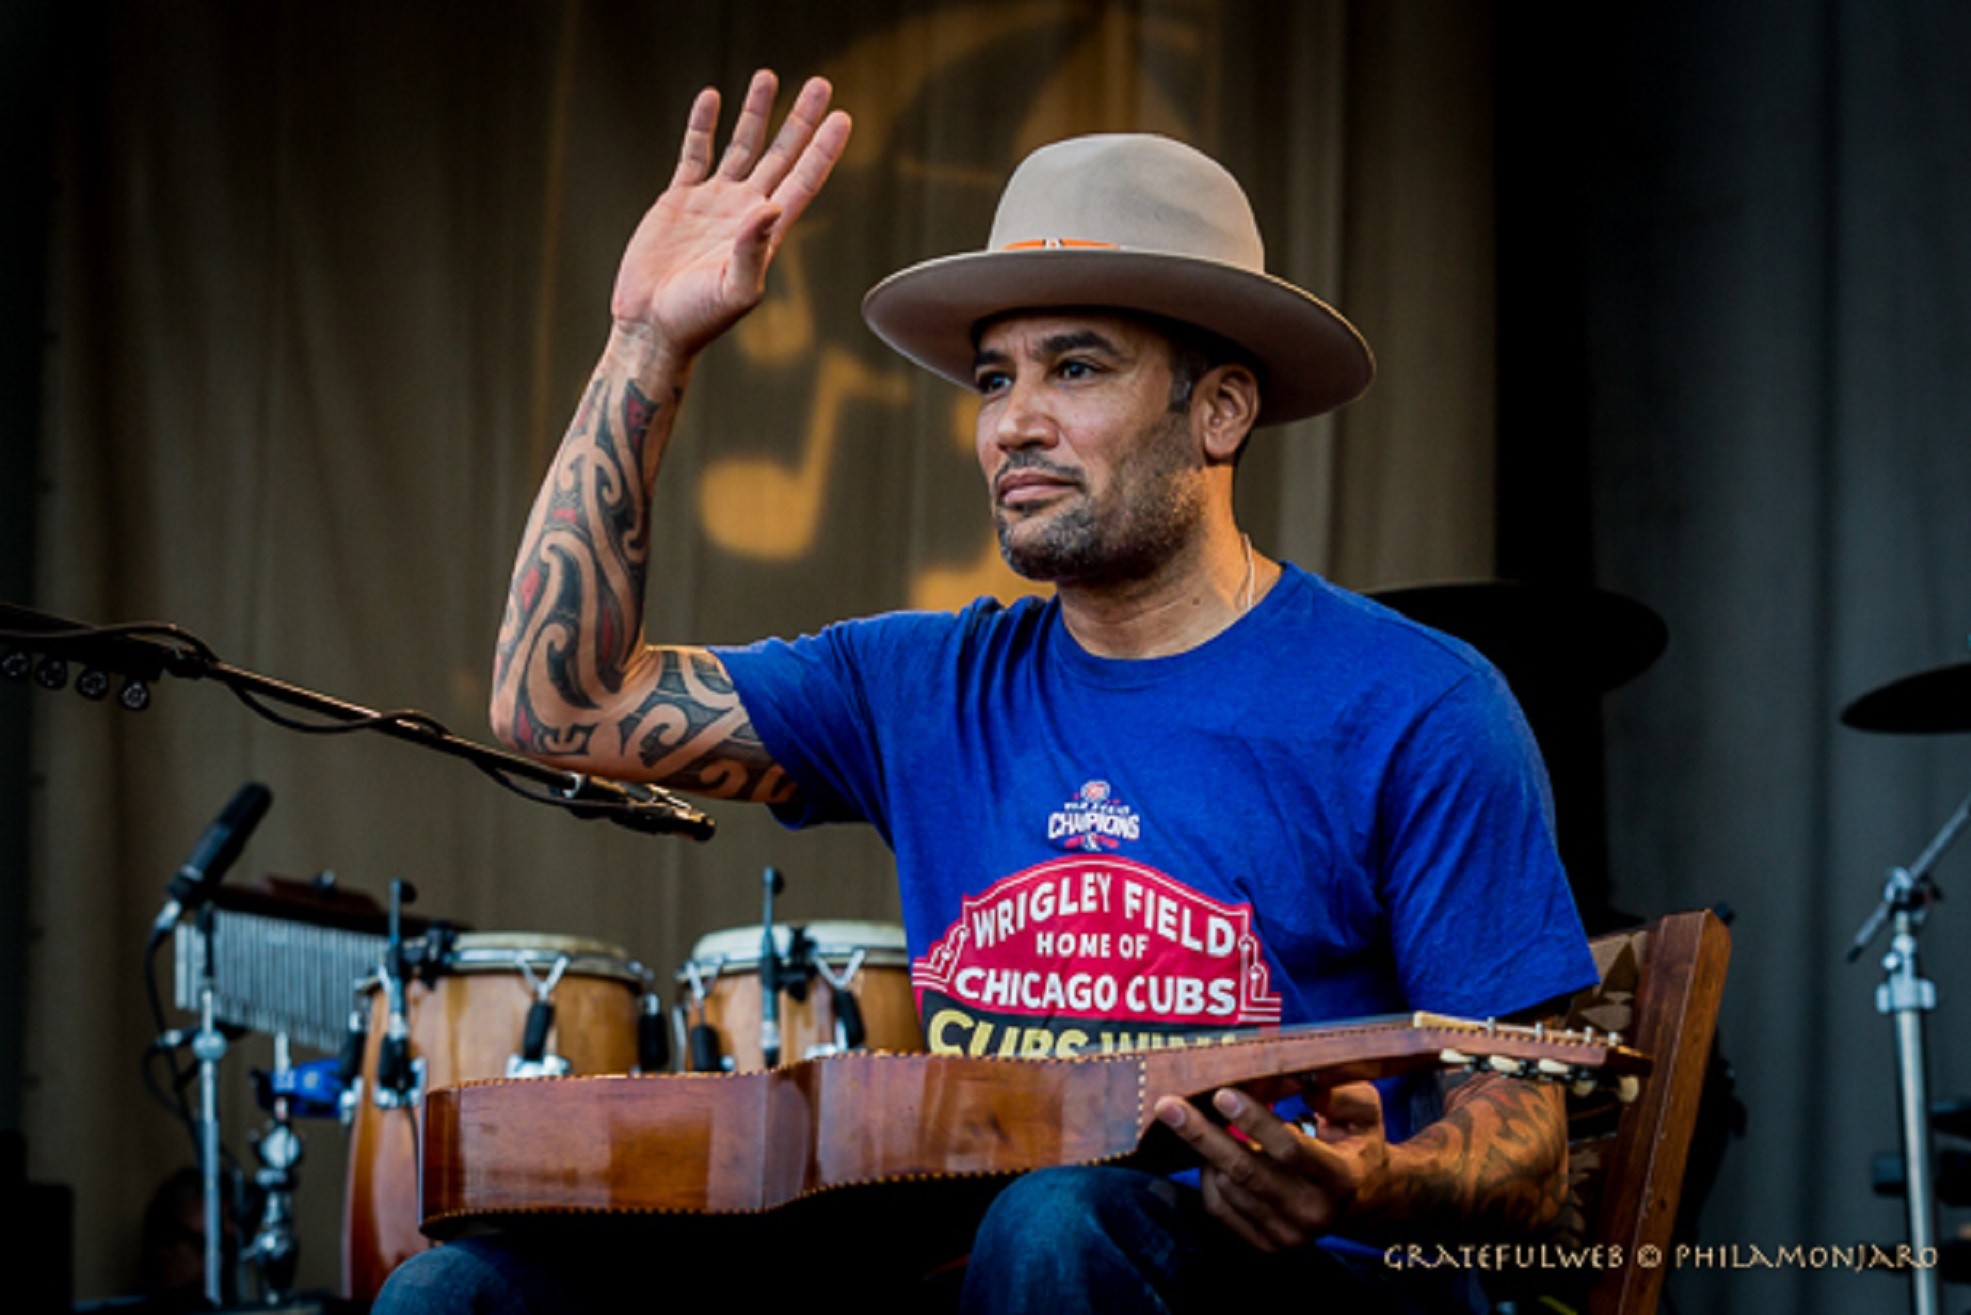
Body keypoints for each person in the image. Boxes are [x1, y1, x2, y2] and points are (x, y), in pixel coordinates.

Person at [381, 70, 1598, 1314]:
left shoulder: (1415, 703)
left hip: (1285, 1283)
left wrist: (1368, 1181)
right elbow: (560, 707)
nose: (1014, 421)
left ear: (1221, 408)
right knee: (461, 1293)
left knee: (1059, 1222)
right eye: (993, 380)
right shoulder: (920, 684)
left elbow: (1529, 1144)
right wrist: (646, 340)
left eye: (1074, 368)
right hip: (980, 1266)